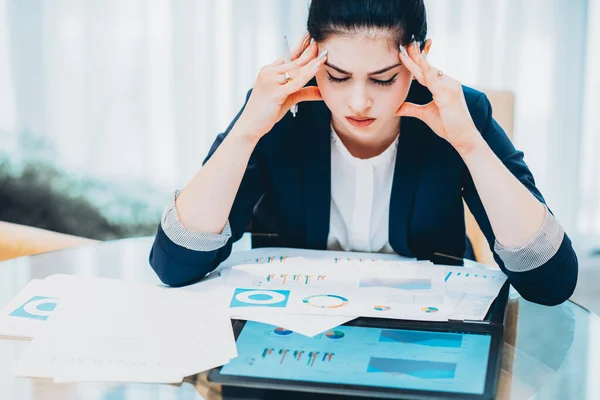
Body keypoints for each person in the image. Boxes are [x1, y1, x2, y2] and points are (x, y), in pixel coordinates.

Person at [149, 0, 578, 306]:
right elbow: (175, 265)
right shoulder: (280, 111)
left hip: (427, 334)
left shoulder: (460, 113)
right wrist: (246, 131)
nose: (358, 102)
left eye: (383, 79)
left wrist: (469, 144)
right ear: (311, 57)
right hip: (293, 326)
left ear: (419, 58)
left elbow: (551, 282)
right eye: (336, 76)